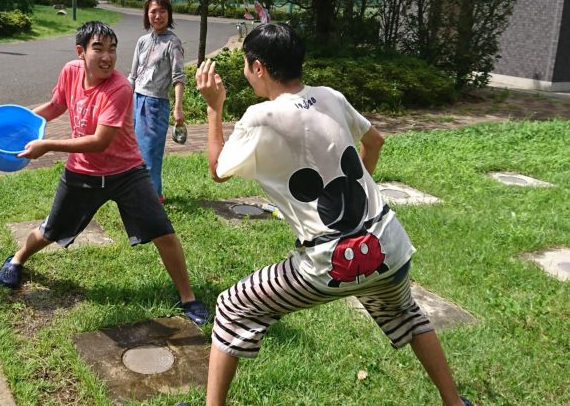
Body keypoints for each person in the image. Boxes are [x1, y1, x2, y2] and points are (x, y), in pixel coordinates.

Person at [190, 23, 472, 406]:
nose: (245, 71)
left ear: (258, 68)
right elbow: (375, 141)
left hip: (328, 265)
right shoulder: (330, 96)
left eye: (245, 64)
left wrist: (214, 107)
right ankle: (455, 402)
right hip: (388, 246)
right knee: (406, 312)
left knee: (232, 307)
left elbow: (217, 170)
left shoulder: (261, 117)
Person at [0, 21, 211, 327]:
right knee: (52, 229)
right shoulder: (70, 71)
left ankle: (188, 297)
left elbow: (100, 141)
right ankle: (17, 259)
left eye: (112, 49)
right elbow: (57, 104)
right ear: (81, 52)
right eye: (98, 49)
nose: (107, 57)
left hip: (127, 172)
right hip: (82, 172)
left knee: (163, 232)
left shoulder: (120, 88)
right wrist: (22, 123)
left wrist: (48, 145)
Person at [128, 0, 185, 203]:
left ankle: (153, 197)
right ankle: (142, 193)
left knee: (150, 153)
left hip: (155, 104)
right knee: (135, 151)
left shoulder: (173, 43)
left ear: (169, 14)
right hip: (136, 100)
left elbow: (179, 77)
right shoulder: (142, 41)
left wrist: (178, 108)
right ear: (147, 14)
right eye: (153, 11)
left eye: (162, 11)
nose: (157, 16)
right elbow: (133, 76)